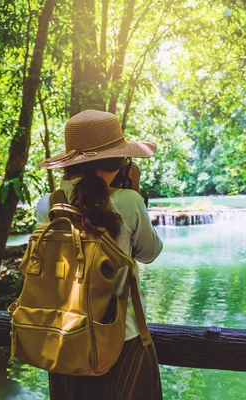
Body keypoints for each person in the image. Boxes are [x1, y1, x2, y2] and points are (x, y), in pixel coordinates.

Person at [35, 109, 163, 399]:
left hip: (64, 339)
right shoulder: (128, 202)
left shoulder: (48, 205)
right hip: (120, 339)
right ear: (117, 162)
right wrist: (137, 194)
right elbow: (149, 253)